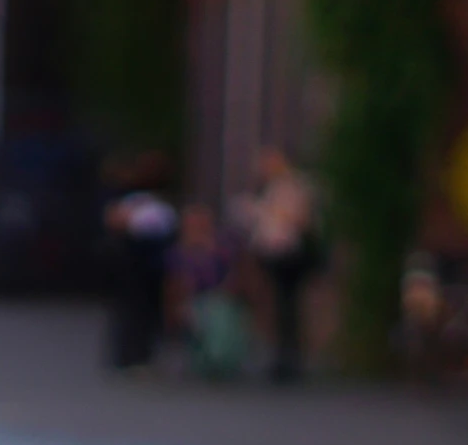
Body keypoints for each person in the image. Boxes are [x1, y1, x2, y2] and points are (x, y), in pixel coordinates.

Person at [242, 148, 318, 383]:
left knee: (287, 306)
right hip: (274, 253)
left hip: (288, 253)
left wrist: (265, 212)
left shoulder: (292, 187)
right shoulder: (275, 188)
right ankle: (282, 356)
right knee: (280, 306)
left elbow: (300, 219)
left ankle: (289, 359)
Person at [105, 187, 179, 373]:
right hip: (133, 264)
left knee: (146, 313)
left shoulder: (154, 205)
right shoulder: (129, 200)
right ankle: (129, 357)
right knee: (132, 313)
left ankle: (141, 355)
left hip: (150, 266)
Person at [172, 204, 246, 379]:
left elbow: (234, 274)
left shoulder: (223, 247)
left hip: (221, 297)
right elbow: (178, 283)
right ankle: (204, 361)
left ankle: (221, 361)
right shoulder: (181, 251)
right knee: (200, 313)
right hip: (195, 299)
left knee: (221, 313)